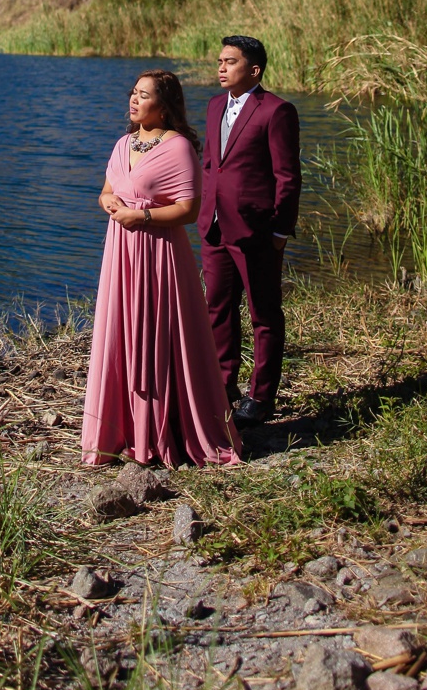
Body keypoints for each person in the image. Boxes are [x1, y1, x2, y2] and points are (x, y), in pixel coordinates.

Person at [82, 70, 241, 469]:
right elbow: (106, 191)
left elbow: (188, 209)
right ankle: (120, 429)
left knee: (159, 337)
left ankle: (162, 430)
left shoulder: (179, 148)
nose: (134, 100)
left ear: (166, 107)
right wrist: (109, 204)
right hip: (120, 253)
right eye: (133, 92)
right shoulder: (123, 143)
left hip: (157, 254)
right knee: (120, 334)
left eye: (144, 95)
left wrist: (145, 217)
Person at [199, 36, 302, 428]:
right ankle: (224, 388)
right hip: (214, 228)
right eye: (219, 60)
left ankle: (260, 398)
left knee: (264, 313)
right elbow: (211, 164)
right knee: (217, 310)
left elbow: (288, 177)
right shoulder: (213, 107)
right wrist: (203, 210)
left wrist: (280, 231)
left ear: (254, 70)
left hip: (258, 232)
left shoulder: (277, 111)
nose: (221, 68)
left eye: (230, 62)